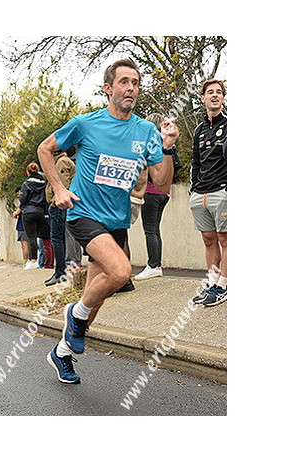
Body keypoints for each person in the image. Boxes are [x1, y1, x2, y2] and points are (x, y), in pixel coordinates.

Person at [38, 58, 179, 384]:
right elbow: (45, 149)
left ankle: (61, 353)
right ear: (108, 88)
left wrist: (168, 148)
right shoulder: (86, 124)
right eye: (124, 82)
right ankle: (74, 313)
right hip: (84, 213)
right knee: (120, 272)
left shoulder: (146, 131)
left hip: (117, 222)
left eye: (135, 83)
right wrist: (59, 188)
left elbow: (161, 180)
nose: (131, 88)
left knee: (97, 297)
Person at [189, 79, 227, 307]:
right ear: (203, 98)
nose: (214, 95)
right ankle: (213, 283)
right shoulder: (199, 130)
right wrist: (192, 192)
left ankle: (224, 285)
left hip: (222, 191)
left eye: (219, 92)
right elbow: (195, 163)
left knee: (226, 239)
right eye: (210, 92)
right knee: (209, 239)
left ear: (223, 97)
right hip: (200, 194)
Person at [135, 113, 173, 280]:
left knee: (150, 229)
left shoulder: (150, 144)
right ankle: (156, 264)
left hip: (151, 191)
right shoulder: (165, 143)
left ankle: (153, 265)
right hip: (164, 192)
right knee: (155, 229)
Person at [44, 147, 76, 286]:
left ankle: (60, 273)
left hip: (58, 206)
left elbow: (63, 185)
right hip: (59, 206)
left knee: (57, 239)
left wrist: (54, 203)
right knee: (60, 239)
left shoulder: (62, 162)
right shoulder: (62, 161)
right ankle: (60, 272)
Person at [19, 162, 47, 270]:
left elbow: (23, 199)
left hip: (29, 211)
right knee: (42, 237)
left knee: (31, 237)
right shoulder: (43, 183)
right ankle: (43, 260)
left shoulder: (26, 184)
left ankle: (33, 260)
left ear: (28, 172)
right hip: (40, 211)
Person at [13, 187, 30, 268]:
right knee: (28, 244)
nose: (18, 195)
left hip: (22, 226)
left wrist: (15, 214)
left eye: (19, 193)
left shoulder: (24, 202)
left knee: (24, 245)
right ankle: (29, 261)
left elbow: (16, 213)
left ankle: (26, 261)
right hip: (27, 225)